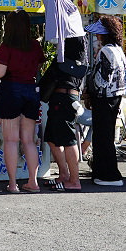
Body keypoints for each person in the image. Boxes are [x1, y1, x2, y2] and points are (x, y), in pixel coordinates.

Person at [0, 10, 45, 193]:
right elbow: (37, 66)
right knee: (29, 140)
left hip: (11, 91)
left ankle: (13, 184)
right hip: (31, 91)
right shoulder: (35, 46)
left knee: (11, 140)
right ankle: (33, 182)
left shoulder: (7, 46)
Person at [38, 35, 87, 192]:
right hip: (66, 98)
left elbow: (50, 77)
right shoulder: (80, 60)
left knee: (68, 140)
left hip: (63, 99)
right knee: (52, 137)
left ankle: (74, 180)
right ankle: (64, 174)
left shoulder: (66, 59)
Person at [85, 14, 126, 187]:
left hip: (104, 97)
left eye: (98, 34)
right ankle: (106, 172)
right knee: (107, 136)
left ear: (104, 34)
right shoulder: (118, 50)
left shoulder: (105, 51)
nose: (96, 36)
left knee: (102, 137)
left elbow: (102, 79)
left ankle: (108, 175)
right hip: (116, 97)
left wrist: (90, 90)